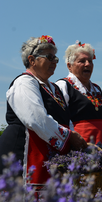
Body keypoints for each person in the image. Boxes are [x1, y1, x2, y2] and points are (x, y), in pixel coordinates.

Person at [0, 35, 87, 190]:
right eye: (49, 57)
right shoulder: (24, 82)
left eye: (55, 58)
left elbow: (66, 120)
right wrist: (69, 137)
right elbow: (35, 118)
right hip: (24, 153)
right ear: (32, 60)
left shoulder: (55, 89)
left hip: (48, 158)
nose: (54, 62)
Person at [56, 41, 102, 144]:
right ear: (69, 66)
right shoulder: (63, 85)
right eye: (82, 61)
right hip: (81, 148)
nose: (88, 64)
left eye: (90, 61)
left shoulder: (97, 89)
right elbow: (61, 120)